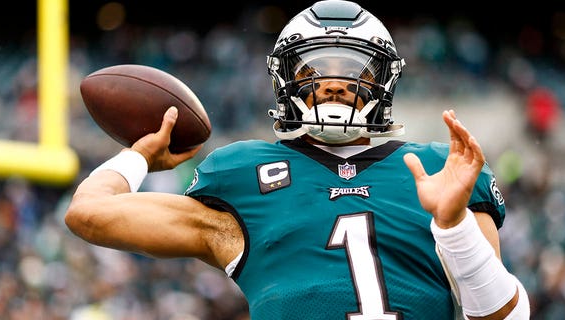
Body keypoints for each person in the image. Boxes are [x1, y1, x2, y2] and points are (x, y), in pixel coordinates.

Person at [64, 0, 530, 319]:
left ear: (384, 81)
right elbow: (88, 214)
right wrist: (139, 155)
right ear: (284, 79)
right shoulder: (243, 176)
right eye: (314, 70)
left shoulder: (438, 167)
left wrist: (454, 225)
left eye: (353, 71)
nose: (332, 83)